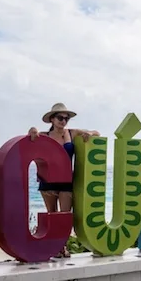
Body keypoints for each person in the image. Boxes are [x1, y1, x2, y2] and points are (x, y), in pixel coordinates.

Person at [28, 103, 99, 257]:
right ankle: (53, 248)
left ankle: (62, 247)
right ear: (52, 119)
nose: (63, 121)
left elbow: (96, 133)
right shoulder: (44, 136)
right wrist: (32, 130)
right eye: (60, 117)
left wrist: (90, 134)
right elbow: (30, 140)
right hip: (47, 182)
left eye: (66, 118)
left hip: (66, 182)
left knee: (65, 217)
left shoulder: (72, 133)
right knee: (51, 215)